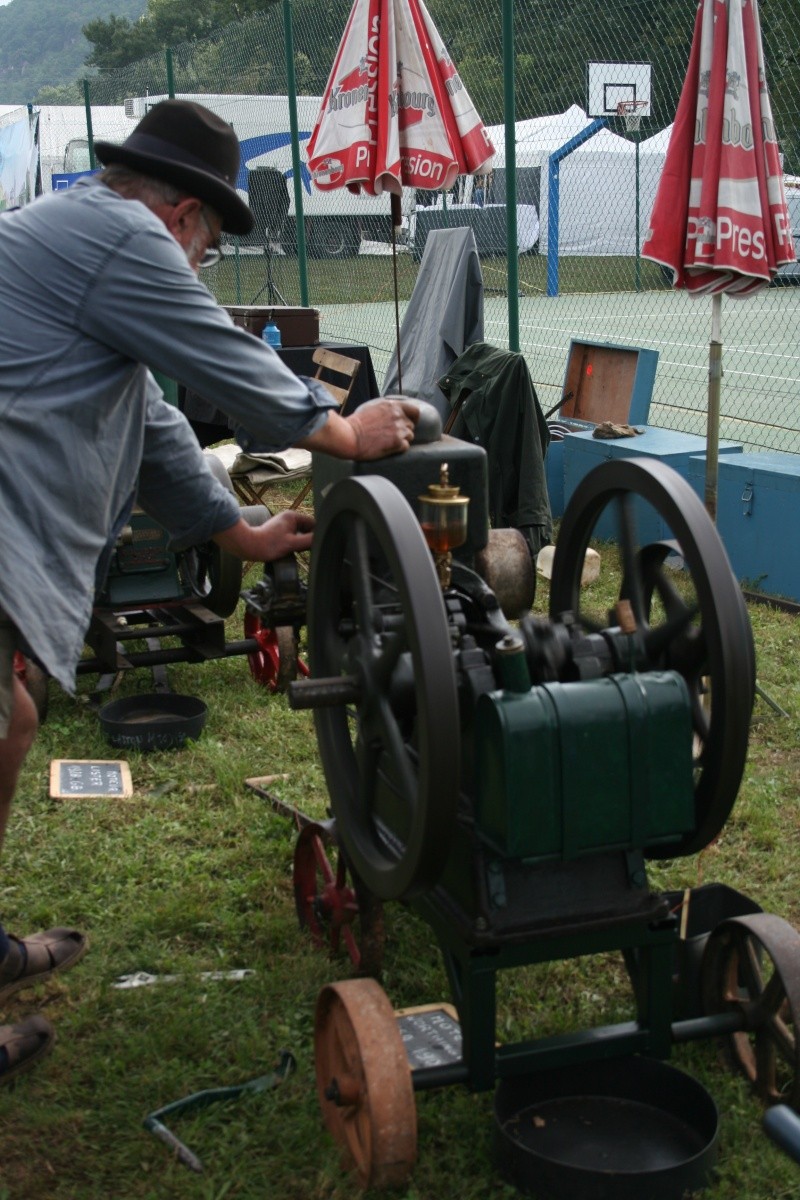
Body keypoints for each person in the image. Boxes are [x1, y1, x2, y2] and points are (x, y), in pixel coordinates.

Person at [0, 99, 418, 1082]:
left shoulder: (78, 252)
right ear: (183, 215)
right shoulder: (116, 233)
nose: (198, 265)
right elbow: (227, 358)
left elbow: (150, 427)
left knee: (11, 718)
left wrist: (244, 533)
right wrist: (345, 432)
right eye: (207, 248)